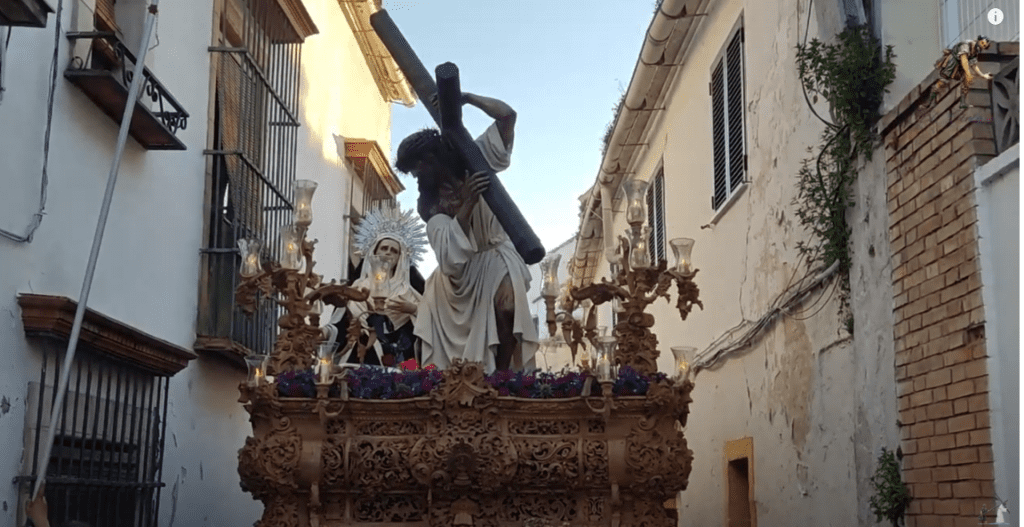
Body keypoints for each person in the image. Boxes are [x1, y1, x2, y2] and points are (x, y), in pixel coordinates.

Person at [395, 91, 539, 372]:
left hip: (496, 254)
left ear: (430, 157)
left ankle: (502, 379)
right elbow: (449, 255)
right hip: (457, 277)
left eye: (417, 168)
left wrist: (469, 99)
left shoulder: (475, 156)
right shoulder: (429, 202)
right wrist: (468, 203)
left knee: (508, 308)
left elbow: (507, 116)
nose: (416, 176)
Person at [323, 205, 425, 367]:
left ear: (400, 258)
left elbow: (430, 329)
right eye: (384, 248)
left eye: (394, 250)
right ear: (374, 253)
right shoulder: (356, 290)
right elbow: (339, 325)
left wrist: (414, 310)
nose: (388, 252)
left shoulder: (410, 294)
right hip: (361, 360)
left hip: (402, 365)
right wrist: (324, 332)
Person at [931, 35, 993, 108]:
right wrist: (968, 73)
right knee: (943, 81)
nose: (982, 45)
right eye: (982, 43)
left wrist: (982, 75)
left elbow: (973, 65)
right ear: (979, 40)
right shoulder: (966, 45)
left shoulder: (975, 51)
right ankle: (930, 99)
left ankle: (963, 102)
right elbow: (964, 59)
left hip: (961, 66)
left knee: (966, 81)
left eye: (984, 46)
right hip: (953, 62)